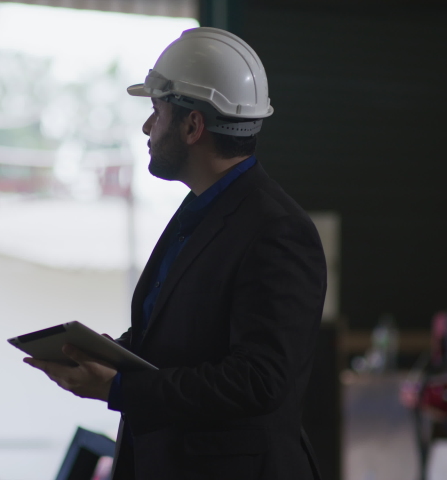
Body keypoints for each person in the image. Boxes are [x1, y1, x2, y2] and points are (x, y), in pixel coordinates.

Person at [25, 27, 327, 480]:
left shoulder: (277, 231)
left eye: (156, 111)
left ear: (192, 126)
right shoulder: (204, 208)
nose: (147, 127)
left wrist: (122, 387)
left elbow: (258, 381)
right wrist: (109, 355)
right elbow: (184, 336)